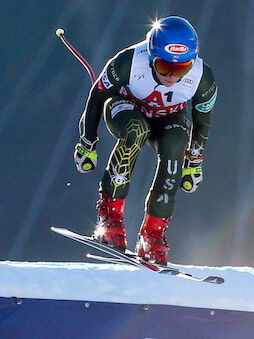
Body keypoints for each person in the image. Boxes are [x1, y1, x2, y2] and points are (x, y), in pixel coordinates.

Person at [73, 16, 217, 265]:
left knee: (175, 144)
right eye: (164, 68)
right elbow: (97, 97)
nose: (171, 77)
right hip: (126, 108)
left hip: (168, 116)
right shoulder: (129, 61)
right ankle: (110, 216)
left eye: (181, 69)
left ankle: (153, 234)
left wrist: (194, 162)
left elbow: (202, 123)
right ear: (151, 57)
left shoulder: (202, 77)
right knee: (135, 130)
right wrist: (88, 143)